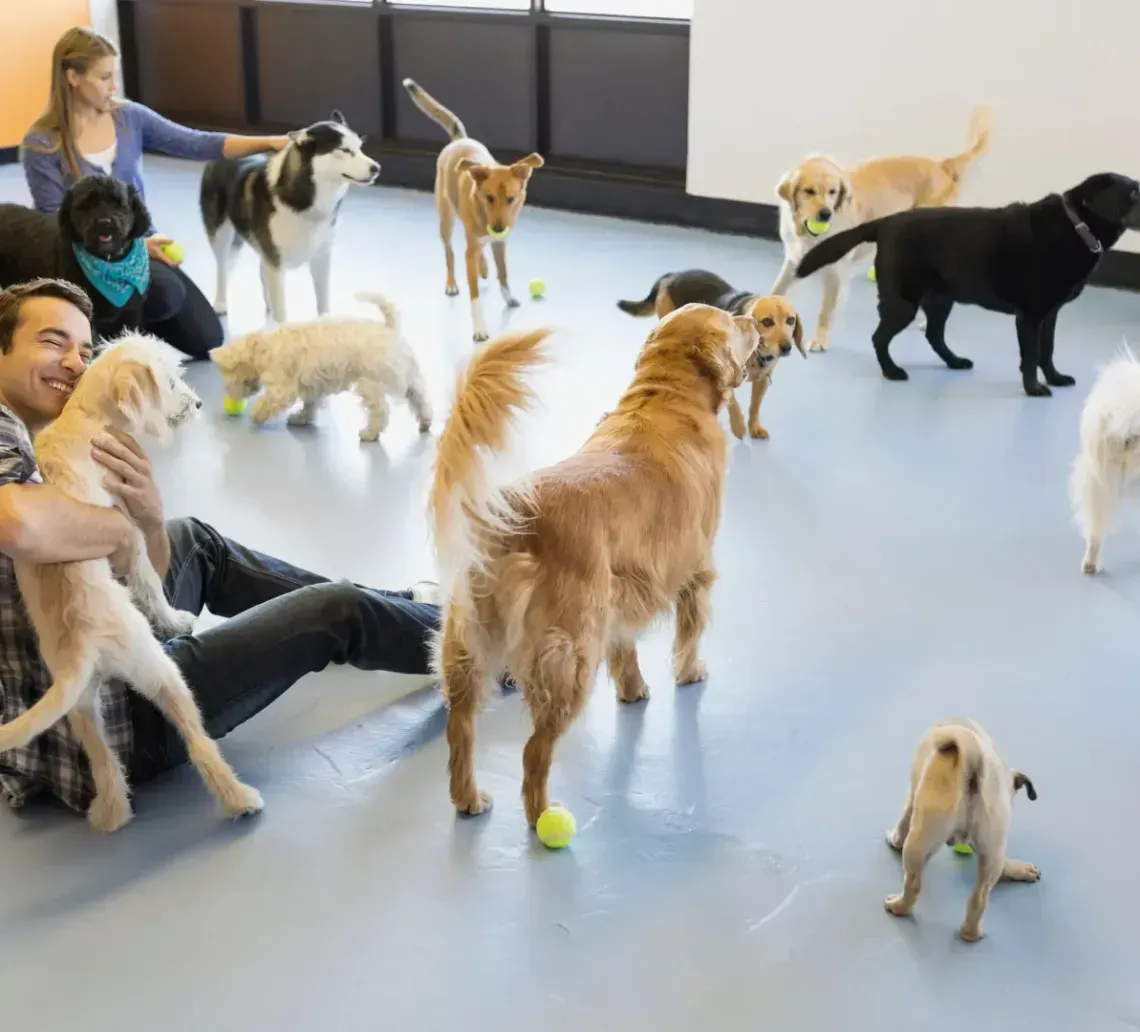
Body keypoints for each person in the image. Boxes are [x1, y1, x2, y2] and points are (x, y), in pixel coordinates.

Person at [0, 278, 444, 816]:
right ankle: (479, 643)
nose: (75, 363)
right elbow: (17, 525)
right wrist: (121, 530)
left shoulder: (53, 436)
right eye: (53, 342)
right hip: (115, 716)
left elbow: (136, 579)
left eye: (84, 351)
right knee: (336, 610)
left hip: (113, 642)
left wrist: (149, 520)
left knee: (194, 540)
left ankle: (400, 606)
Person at [20, 26, 290, 361]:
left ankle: (125, 322)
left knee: (207, 338)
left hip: (138, 247)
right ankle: (108, 327)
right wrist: (134, 246)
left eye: (115, 76)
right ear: (73, 77)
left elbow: (196, 143)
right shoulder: (42, 143)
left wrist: (270, 142)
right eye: (104, 77)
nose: (114, 86)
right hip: (84, 261)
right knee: (163, 292)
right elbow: (52, 218)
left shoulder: (128, 117)